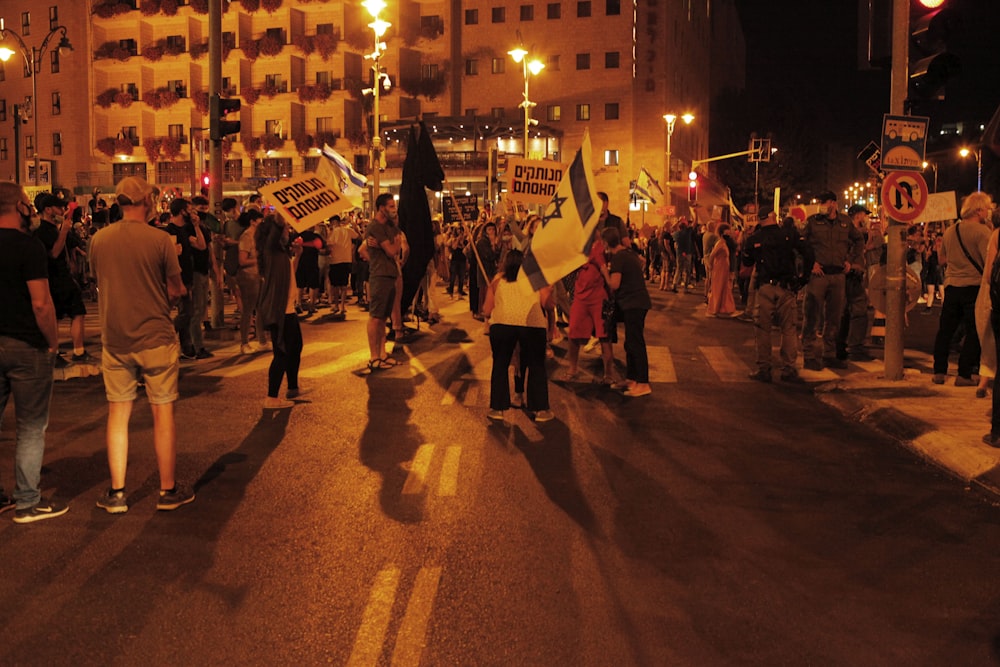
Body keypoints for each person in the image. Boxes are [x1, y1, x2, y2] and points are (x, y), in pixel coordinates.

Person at [89, 176, 195, 513]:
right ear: (147, 203)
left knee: (118, 413)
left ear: (119, 203)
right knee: (162, 412)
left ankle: (117, 493)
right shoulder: (160, 239)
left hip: (116, 337)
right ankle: (168, 491)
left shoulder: (98, 240)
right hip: (155, 336)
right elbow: (177, 289)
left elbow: (99, 281)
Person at [0, 182, 69, 523]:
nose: (31, 209)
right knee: (30, 427)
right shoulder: (28, 248)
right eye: (27, 203)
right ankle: (27, 500)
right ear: (18, 207)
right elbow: (41, 303)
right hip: (26, 344)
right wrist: (53, 342)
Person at [742, 207, 815, 382]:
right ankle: (789, 369)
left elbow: (746, 261)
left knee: (762, 329)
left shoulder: (755, 239)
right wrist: (803, 278)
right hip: (787, 287)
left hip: (765, 287)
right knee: (788, 329)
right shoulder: (788, 235)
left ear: (760, 219)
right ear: (774, 217)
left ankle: (764, 369)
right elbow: (809, 254)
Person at [482, 250, 554, 422]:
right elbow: (547, 304)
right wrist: (549, 292)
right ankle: (540, 410)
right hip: (532, 324)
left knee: (500, 364)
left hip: (502, 323)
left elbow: (486, 310)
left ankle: (497, 409)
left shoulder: (498, 279)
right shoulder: (535, 277)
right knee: (536, 365)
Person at [934, 192, 993, 386]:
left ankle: (939, 372)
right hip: (973, 288)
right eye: (986, 208)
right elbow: (988, 263)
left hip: (952, 286)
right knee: (975, 331)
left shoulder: (951, 230)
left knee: (945, 330)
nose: (988, 212)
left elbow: (942, 260)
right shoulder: (982, 232)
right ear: (978, 210)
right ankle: (964, 373)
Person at [800, 191, 864, 371]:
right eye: (821, 202)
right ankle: (809, 354)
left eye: (826, 202)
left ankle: (829, 354)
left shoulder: (845, 222)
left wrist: (851, 261)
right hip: (818, 276)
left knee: (834, 318)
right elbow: (801, 244)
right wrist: (810, 264)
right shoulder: (812, 222)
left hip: (838, 275)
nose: (823, 205)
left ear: (834, 204)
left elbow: (859, 240)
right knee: (812, 315)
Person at [32, 193, 97, 367]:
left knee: (66, 314)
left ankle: (62, 351)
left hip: (62, 277)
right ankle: (72, 351)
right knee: (74, 313)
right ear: (47, 210)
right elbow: (54, 253)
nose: (62, 210)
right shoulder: (43, 231)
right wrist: (64, 231)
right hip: (55, 278)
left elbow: (71, 247)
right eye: (59, 207)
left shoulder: (54, 228)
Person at [256, 214, 305, 408]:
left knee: (295, 347)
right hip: (280, 311)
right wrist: (279, 219)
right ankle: (271, 397)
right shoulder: (271, 252)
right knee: (282, 352)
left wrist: (298, 255)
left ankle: (292, 387)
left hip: (287, 308)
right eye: (285, 229)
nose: (288, 232)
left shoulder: (280, 254)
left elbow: (289, 274)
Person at [603, 227, 652, 397]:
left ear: (606, 243)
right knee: (630, 342)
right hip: (636, 302)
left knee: (636, 343)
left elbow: (614, 284)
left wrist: (604, 272)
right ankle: (632, 378)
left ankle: (643, 383)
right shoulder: (629, 253)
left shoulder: (618, 258)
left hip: (633, 303)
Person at [564, 232, 617, 383]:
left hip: (599, 297)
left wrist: (610, 285)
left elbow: (606, 265)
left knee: (604, 336)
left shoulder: (602, 246)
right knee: (573, 332)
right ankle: (572, 368)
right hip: (581, 296)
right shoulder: (580, 247)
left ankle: (609, 373)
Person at [363, 193, 403, 370]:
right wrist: (390, 245)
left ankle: (382, 353)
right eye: (391, 206)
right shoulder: (375, 227)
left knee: (383, 317)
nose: (394, 209)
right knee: (376, 317)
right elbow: (393, 250)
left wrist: (391, 244)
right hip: (380, 275)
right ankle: (374, 356)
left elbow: (396, 243)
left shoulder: (390, 226)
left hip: (390, 274)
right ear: (381, 208)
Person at [165, 198, 207, 360]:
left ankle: (186, 347)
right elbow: (171, 256)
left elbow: (201, 246)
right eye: (189, 210)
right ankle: (165, 335)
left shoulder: (186, 229)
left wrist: (197, 226)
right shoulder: (170, 230)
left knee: (186, 311)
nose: (191, 213)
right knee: (186, 313)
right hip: (177, 278)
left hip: (188, 276)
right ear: (182, 211)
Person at [836, 204, 876, 362]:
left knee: (844, 312)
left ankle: (841, 345)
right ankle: (855, 347)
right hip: (851, 275)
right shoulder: (852, 232)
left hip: (848, 274)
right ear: (858, 215)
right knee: (859, 311)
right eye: (864, 215)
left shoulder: (844, 230)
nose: (865, 218)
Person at [236, 209, 267, 354]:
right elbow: (242, 260)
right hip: (248, 277)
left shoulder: (260, 236)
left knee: (261, 308)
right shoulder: (246, 236)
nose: (262, 222)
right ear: (253, 221)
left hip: (259, 276)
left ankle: (262, 341)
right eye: (260, 220)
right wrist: (259, 259)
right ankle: (244, 343)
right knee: (248, 311)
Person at [326, 214, 358, 319]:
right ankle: (343, 306)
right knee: (344, 285)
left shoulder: (332, 233)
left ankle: (336, 305)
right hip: (346, 259)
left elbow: (329, 245)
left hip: (335, 260)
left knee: (335, 284)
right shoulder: (347, 230)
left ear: (334, 222)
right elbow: (357, 236)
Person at [706, 223, 737, 317]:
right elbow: (712, 255)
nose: (729, 233)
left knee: (724, 289)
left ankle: (724, 308)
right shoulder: (720, 243)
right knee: (717, 289)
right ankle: (712, 310)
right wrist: (710, 266)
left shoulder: (724, 242)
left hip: (723, 269)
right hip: (719, 269)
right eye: (727, 231)